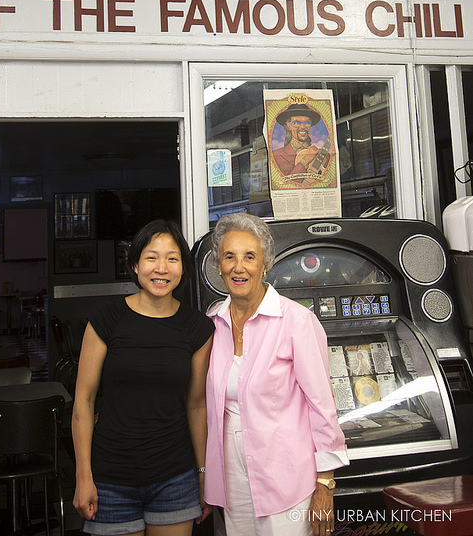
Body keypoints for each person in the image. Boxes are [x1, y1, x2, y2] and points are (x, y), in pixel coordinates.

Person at [204, 213, 349, 536]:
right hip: (231, 481)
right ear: (218, 264)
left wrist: (325, 483)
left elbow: (322, 406)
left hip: (287, 480)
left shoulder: (296, 321)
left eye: (249, 257)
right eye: (230, 256)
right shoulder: (212, 324)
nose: (238, 267)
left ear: (265, 264)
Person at [72, 219, 214, 536]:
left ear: (183, 268)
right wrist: (84, 476)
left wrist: (204, 474)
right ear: (135, 265)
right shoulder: (105, 319)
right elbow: (83, 400)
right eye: (151, 257)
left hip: (175, 478)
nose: (161, 268)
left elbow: (197, 405)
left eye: (172, 258)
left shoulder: (199, 328)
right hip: (110, 477)